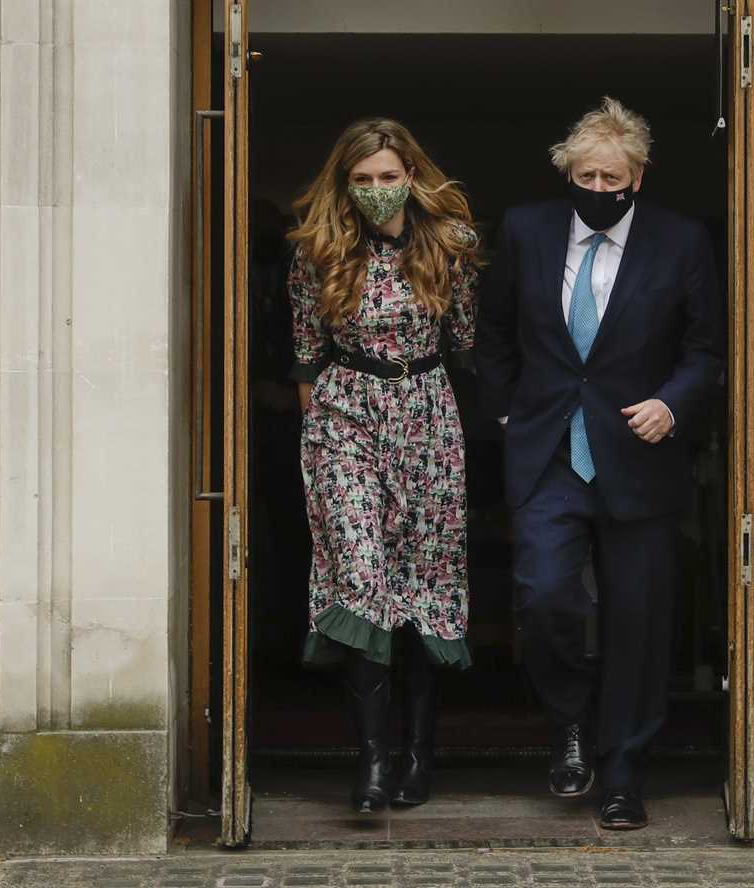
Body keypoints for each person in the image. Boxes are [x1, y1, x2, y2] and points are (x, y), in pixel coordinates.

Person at [475, 97, 723, 830]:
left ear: (637, 177)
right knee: (546, 595)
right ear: (568, 174)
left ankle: (622, 771)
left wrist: (672, 405)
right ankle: (570, 723)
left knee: (637, 623)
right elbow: (492, 332)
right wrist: (509, 410)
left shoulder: (680, 242)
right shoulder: (526, 229)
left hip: (639, 457)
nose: (600, 189)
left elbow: (706, 348)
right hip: (549, 452)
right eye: (587, 175)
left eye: (613, 177)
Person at [287, 118, 480, 814]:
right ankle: (371, 763)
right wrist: (322, 439)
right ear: (345, 184)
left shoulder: (451, 247)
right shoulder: (319, 251)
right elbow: (306, 354)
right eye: (362, 180)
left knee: (424, 582)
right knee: (363, 575)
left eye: (387, 178)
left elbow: (466, 342)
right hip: (345, 412)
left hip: (428, 411)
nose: (375, 191)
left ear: (411, 177)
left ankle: (417, 758)